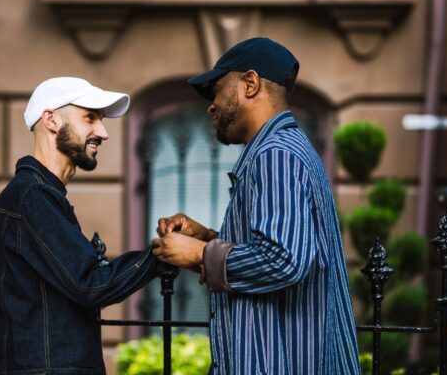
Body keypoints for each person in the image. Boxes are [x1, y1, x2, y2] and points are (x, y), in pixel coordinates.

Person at [152, 38, 361, 374]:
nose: (211, 105)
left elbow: (283, 259)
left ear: (250, 84)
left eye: (217, 89)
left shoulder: (275, 155)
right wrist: (205, 238)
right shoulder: (285, 150)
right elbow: (278, 247)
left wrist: (198, 255)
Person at [0, 77, 165, 374]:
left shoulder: (35, 196)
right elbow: (88, 284)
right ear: (51, 120)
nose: (103, 132)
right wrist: (161, 254)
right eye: (90, 117)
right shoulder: (32, 198)